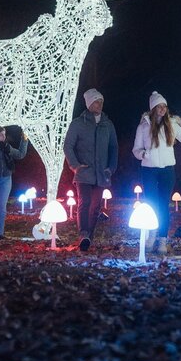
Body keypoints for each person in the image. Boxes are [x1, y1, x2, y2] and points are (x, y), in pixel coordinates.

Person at [132, 91, 181, 255]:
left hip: (167, 170)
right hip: (149, 170)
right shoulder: (144, 126)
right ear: (153, 108)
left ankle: (162, 239)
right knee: (151, 204)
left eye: (164, 106)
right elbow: (136, 149)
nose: (162, 109)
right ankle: (152, 235)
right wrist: (144, 154)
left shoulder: (172, 125)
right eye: (159, 106)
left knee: (163, 205)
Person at [63, 88, 118, 251]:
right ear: (88, 104)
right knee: (85, 202)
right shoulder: (78, 124)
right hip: (84, 172)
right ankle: (84, 234)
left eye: (101, 102)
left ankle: (89, 237)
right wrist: (75, 165)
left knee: (96, 206)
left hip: (102, 173)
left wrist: (111, 167)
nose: (99, 104)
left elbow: (113, 147)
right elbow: (68, 146)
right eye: (95, 102)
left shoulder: (107, 124)